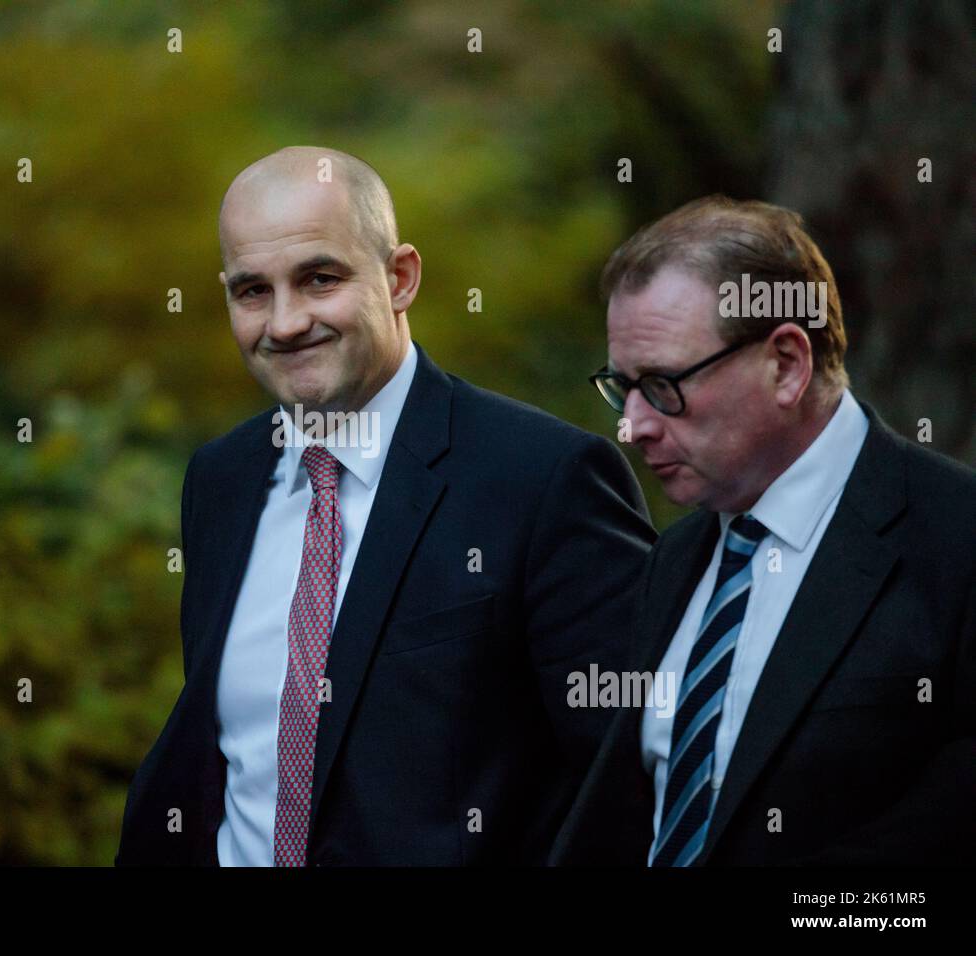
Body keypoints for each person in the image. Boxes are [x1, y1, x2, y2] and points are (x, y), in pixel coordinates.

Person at [116, 146, 655, 865]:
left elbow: (628, 785)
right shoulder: (222, 480)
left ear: (400, 278)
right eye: (252, 292)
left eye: (319, 279)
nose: (283, 323)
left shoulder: (544, 479)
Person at [553, 195, 976, 865]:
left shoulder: (954, 543)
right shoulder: (680, 556)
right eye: (623, 387)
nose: (632, 425)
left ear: (786, 364)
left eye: (663, 385)